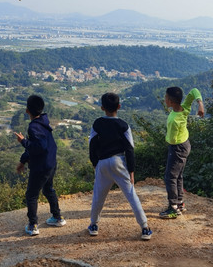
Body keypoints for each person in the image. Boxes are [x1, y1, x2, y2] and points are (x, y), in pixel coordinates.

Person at [87, 92, 152, 240]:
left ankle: (93, 225)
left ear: (102, 107)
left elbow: (92, 145)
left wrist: (95, 164)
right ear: (119, 106)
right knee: (131, 195)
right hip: (119, 161)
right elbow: (129, 149)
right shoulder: (123, 125)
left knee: (98, 197)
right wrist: (131, 170)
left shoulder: (97, 124)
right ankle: (145, 227)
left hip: (102, 163)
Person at [16, 94, 66, 236]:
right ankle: (57, 217)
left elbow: (39, 147)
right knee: (48, 189)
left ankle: (32, 226)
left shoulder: (33, 127)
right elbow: (36, 148)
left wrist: (23, 141)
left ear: (27, 110)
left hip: (40, 167)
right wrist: (23, 160)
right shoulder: (44, 122)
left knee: (31, 195)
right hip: (51, 164)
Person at [160, 86, 205, 218]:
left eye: (166, 97)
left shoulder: (174, 119)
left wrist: (167, 140)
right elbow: (194, 91)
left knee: (170, 177)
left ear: (171, 101)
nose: (164, 99)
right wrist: (200, 104)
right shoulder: (184, 108)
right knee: (178, 175)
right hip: (185, 145)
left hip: (177, 148)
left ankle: (173, 207)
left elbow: (172, 140)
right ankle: (180, 203)